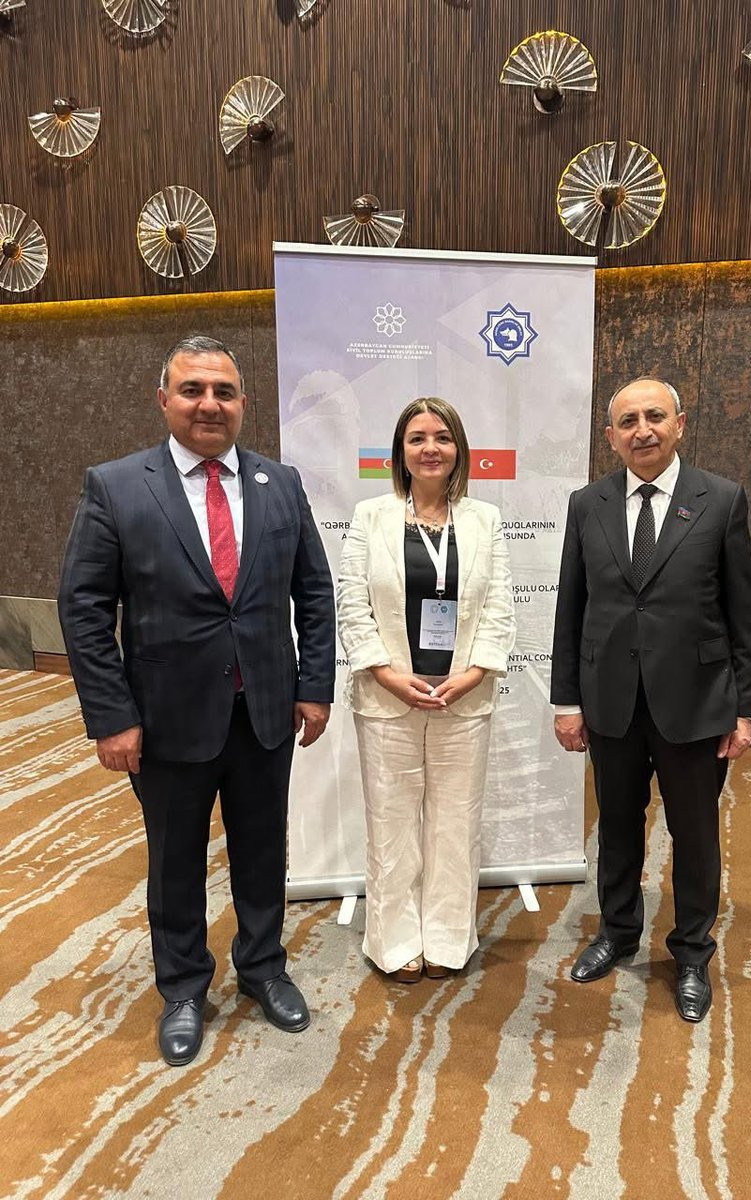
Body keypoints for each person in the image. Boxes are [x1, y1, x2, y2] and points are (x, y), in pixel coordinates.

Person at [58, 335, 335, 1066]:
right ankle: (182, 987)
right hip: (165, 719)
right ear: (164, 400)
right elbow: (84, 608)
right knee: (176, 857)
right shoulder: (116, 486)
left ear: (243, 403)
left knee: (262, 847)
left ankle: (263, 967)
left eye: (224, 391)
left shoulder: (281, 483)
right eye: (193, 390)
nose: (209, 404)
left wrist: (313, 687)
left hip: (265, 710)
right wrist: (112, 717)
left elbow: (313, 591)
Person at [551, 377, 751, 1022]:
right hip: (610, 699)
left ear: (679, 424)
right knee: (616, 825)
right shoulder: (587, 504)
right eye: (627, 421)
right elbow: (571, 607)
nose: (641, 430)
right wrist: (566, 700)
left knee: (694, 835)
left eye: (654, 416)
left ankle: (692, 952)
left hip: (696, 702)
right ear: (610, 436)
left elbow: (743, 610)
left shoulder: (721, 499)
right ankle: (617, 932)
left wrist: (746, 708)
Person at [337, 398, 515, 982]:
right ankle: (393, 943)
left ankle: (446, 939)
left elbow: (499, 607)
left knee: (455, 824)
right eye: (417, 438)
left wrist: (474, 674)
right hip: (387, 699)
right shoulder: (370, 516)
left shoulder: (485, 519)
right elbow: (353, 605)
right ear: (401, 452)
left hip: (464, 698)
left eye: (442, 437)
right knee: (391, 825)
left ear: (458, 448)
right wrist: (386, 674)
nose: (430, 448)